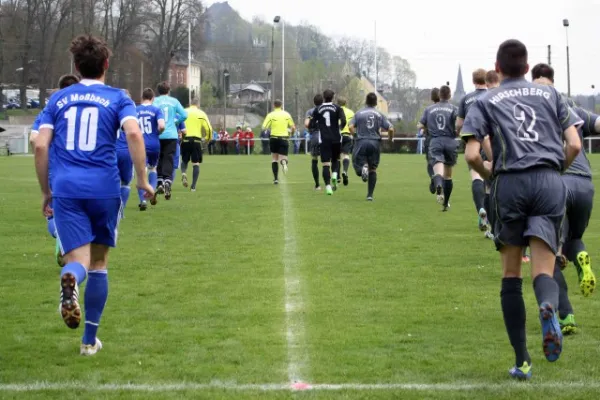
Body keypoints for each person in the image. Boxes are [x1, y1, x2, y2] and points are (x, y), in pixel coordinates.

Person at [463, 39, 582, 380]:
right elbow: (574, 143)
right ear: (528, 68)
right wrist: (556, 170)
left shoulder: (485, 100)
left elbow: (472, 155)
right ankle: (548, 306)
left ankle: (523, 361)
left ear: (497, 69)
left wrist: (490, 176)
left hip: (510, 184)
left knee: (511, 275)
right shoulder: (551, 95)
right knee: (544, 269)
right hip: (548, 181)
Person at [35, 34, 153, 356]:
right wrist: (143, 180)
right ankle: (89, 341)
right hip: (104, 188)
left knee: (78, 261)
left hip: (67, 190)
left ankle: (71, 277)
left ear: (76, 66)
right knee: (99, 262)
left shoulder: (57, 100)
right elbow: (132, 132)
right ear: (106, 64)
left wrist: (46, 191)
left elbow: (40, 144)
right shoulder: (118, 98)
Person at [532, 63, 598, 332]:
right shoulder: (572, 107)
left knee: (548, 251)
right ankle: (581, 257)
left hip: (556, 182)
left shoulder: (534, 107)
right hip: (585, 184)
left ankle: (566, 315)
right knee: (573, 239)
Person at [30, 73, 80, 267]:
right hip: (84, 167)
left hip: (56, 168)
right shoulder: (88, 106)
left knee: (53, 211)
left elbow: (35, 139)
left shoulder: (50, 108)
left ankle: (61, 237)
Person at [457, 69, 492, 236]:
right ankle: (493, 223)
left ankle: (481, 209)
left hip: (474, 141)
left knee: (476, 177)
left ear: (473, 81)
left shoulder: (466, 99)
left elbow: (459, 124)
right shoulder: (494, 95)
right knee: (491, 184)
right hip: (491, 142)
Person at [418, 85, 458, 211]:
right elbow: (459, 125)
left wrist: (426, 128)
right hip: (450, 141)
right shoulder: (454, 109)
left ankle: (438, 185)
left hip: (435, 141)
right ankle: (445, 203)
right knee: (448, 175)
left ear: (439, 95)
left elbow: (420, 125)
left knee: (438, 171)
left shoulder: (429, 109)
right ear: (450, 96)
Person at [349, 92, 393, 201]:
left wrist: (355, 135)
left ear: (366, 101)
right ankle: (369, 195)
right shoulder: (379, 114)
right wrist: (390, 138)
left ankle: (362, 169)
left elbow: (350, 126)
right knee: (373, 169)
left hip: (361, 141)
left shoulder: (359, 113)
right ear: (375, 102)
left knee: (356, 162)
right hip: (375, 143)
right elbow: (391, 128)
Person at [153, 81, 187, 200]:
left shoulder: (155, 101)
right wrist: (175, 122)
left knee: (159, 158)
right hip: (171, 135)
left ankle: (159, 181)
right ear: (168, 90)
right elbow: (184, 115)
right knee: (169, 157)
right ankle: (167, 181)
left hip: (158, 134)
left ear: (158, 91)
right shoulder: (174, 101)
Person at [310, 90, 346, 195]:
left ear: (324, 97)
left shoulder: (318, 109)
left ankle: (328, 187)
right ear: (333, 97)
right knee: (335, 159)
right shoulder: (337, 108)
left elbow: (312, 124)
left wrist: (319, 126)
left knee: (325, 164)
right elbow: (343, 121)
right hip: (336, 138)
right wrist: (340, 128)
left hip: (324, 139)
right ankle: (335, 174)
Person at [136, 88, 165, 211]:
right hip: (154, 144)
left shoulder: (135, 110)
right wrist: (157, 133)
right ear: (153, 98)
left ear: (142, 97)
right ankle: (151, 192)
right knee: (153, 168)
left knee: (140, 173)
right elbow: (162, 125)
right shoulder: (156, 110)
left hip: (140, 144)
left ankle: (142, 200)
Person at [181, 100, 212, 192]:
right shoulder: (201, 113)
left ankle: (183, 173)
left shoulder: (183, 111)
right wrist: (207, 139)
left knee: (184, 160)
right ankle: (193, 186)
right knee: (196, 163)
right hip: (196, 141)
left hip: (185, 139)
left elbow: (177, 122)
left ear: (190, 104)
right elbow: (208, 128)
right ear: (198, 105)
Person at [262, 99, 295, 184]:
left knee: (274, 159)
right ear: (281, 105)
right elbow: (293, 127)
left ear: (274, 105)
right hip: (284, 138)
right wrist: (291, 133)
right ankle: (284, 162)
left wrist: (270, 129)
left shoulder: (271, 115)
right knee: (283, 157)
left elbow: (264, 127)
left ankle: (276, 179)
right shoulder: (286, 114)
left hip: (274, 138)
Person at [115, 89, 134, 215]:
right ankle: (120, 211)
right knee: (126, 181)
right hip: (126, 150)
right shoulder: (131, 110)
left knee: (111, 180)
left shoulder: (110, 107)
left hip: (111, 150)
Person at [304, 94, 324, 190]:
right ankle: (330, 184)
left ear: (314, 102)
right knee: (327, 161)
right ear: (322, 101)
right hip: (326, 136)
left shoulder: (310, 111)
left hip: (315, 136)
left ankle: (317, 185)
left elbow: (306, 124)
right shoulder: (326, 110)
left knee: (315, 160)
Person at [338, 97, 355, 186]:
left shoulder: (335, 111)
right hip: (347, 135)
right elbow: (354, 124)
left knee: (337, 156)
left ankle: (337, 177)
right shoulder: (351, 112)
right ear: (346, 103)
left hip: (337, 136)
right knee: (346, 155)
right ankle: (345, 170)